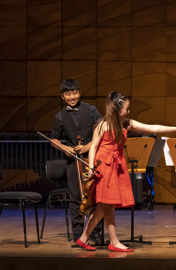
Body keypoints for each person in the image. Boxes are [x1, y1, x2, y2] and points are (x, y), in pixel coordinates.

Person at [76, 91, 176, 251]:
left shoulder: (126, 123)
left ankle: (83, 238)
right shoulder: (103, 124)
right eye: (126, 108)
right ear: (117, 109)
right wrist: (90, 170)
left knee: (104, 207)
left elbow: (152, 128)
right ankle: (114, 242)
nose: (129, 111)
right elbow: (93, 147)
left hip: (116, 164)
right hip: (104, 166)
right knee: (107, 206)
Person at [51, 79, 103, 245]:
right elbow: (54, 139)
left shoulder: (91, 109)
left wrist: (88, 145)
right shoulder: (60, 116)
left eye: (75, 93)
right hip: (73, 162)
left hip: (93, 159)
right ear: (62, 96)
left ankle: (96, 233)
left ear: (79, 93)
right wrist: (66, 148)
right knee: (75, 198)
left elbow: (102, 130)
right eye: (68, 94)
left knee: (95, 196)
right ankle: (79, 235)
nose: (72, 96)